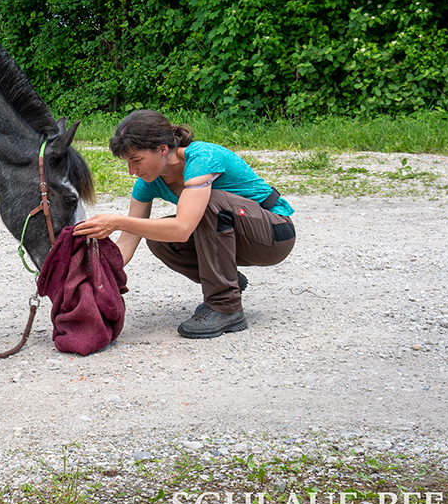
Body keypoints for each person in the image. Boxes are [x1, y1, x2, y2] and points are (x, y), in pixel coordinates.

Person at [73, 110, 295, 338]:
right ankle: (227, 280)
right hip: (239, 237)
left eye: (136, 160)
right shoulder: (147, 183)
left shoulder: (202, 157)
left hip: (275, 233)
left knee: (211, 203)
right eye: (127, 162)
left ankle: (225, 306)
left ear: (162, 149)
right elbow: (127, 244)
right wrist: (89, 275)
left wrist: (117, 221)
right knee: (157, 236)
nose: (132, 171)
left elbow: (183, 229)